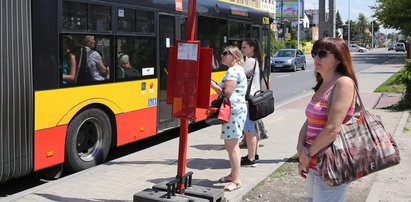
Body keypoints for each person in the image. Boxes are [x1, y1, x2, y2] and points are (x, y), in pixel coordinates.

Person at [296, 37, 358, 202]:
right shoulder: (323, 83)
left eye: (322, 54)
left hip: (332, 163)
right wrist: (300, 147)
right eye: (314, 53)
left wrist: (307, 154)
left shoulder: (343, 83)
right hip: (313, 162)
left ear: (338, 58)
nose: (316, 58)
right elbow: (310, 120)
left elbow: (332, 129)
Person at [210, 46, 247, 192]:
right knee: (230, 145)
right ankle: (233, 175)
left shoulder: (233, 71)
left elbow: (227, 92)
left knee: (232, 146)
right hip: (235, 111)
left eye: (225, 53)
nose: (222, 56)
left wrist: (212, 84)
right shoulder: (236, 70)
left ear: (234, 56)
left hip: (233, 111)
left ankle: (236, 180)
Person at [240, 38, 262, 167]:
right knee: (251, 128)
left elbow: (240, 75)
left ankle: (251, 158)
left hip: (249, 99)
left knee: (249, 129)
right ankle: (254, 154)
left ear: (251, 48)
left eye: (244, 47)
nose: (242, 50)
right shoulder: (254, 60)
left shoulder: (251, 61)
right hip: (253, 98)